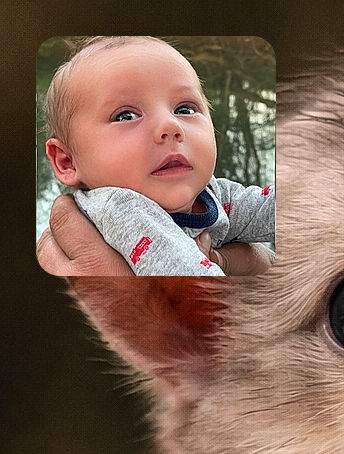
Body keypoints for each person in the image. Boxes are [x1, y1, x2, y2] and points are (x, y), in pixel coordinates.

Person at [42, 36, 274, 277]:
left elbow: (278, 210)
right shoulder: (120, 209)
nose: (170, 125)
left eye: (185, 109)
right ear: (66, 161)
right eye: (126, 116)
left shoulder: (210, 193)